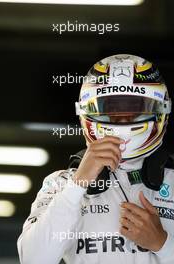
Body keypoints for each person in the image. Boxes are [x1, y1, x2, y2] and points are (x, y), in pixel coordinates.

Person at [17, 54, 174, 264]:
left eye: (136, 109)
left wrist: (162, 244)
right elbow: (33, 259)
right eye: (112, 111)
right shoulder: (60, 183)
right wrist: (77, 184)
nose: (123, 120)